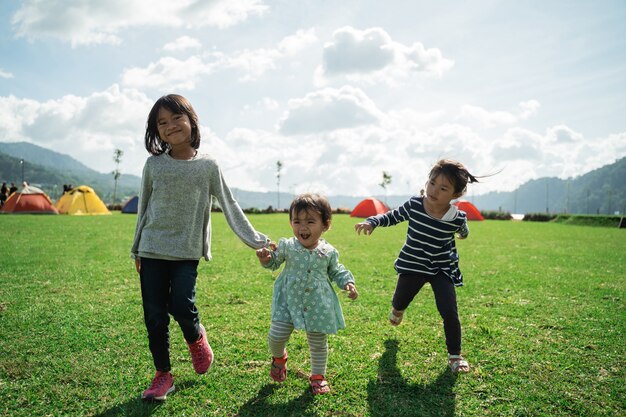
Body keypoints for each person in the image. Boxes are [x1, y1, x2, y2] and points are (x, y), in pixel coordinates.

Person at [131, 94, 271, 401]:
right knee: (154, 315)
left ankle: (196, 338)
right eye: (162, 123)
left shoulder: (208, 166)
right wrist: (136, 248)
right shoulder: (153, 165)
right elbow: (144, 208)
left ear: (191, 121)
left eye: (176, 118)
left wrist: (257, 241)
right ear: (156, 131)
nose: (170, 126)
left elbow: (230, 204)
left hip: (186, 252)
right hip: (152, 248)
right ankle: (163, 375)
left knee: (182, 305)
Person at [355, 159, 480, 374]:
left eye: (443, 188)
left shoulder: (456, 217)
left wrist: (463, 233)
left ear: (455, 195)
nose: (434, 190)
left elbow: (463, 229)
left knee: (449, 310)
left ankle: (455, 356)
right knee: (400, 301)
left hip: (442, 268)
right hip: (413, 264)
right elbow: (393, 216)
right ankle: (397, 309)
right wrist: (373, 221)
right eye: (432, 183)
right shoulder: (414, 205)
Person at [256, 193, 358, 395]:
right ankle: (279, 357)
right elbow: (274, 263)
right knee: (276, 335)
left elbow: (337, 270)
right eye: (297, 221)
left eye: (310, 221)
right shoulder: (287, 246)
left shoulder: (328, 251)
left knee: (318, 342)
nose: (303, 227)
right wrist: (266, 258)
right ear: (291, 222)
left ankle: (318, 376)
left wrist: (348, 282)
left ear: (325, 225)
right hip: (288, 300)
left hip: (317, 304)